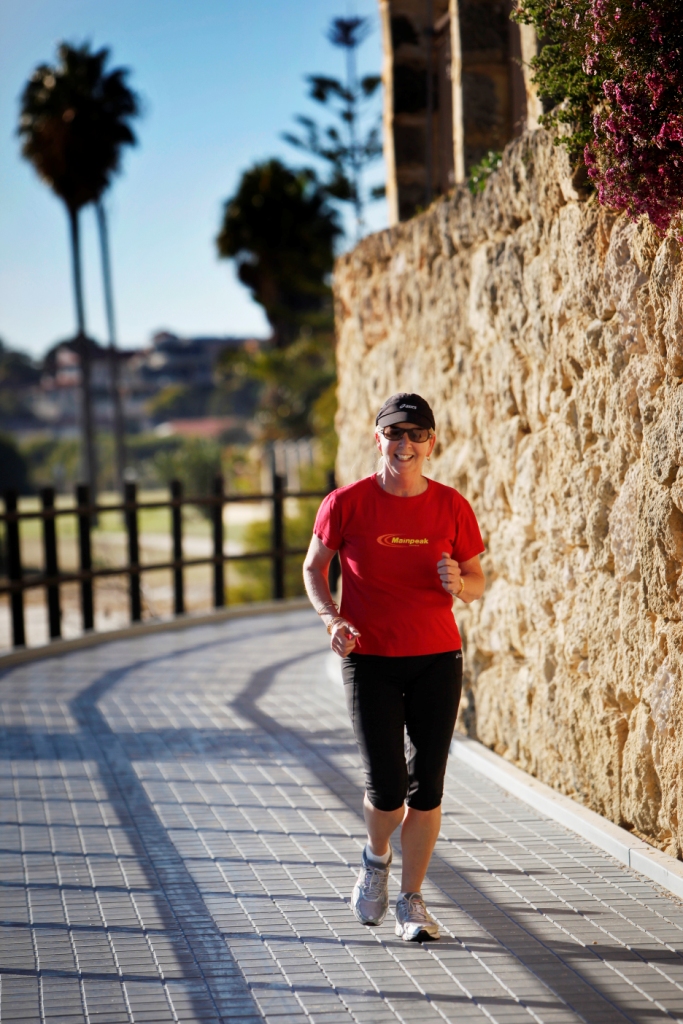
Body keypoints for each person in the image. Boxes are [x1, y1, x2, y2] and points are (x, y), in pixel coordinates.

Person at [303, 392, 485, 942]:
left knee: (426, 785)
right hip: (370, 660)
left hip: (437, 658)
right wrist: (332, 619)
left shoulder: (452, 505)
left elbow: (476, 582)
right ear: (377, 437)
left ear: (432, 443)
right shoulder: (346, 502)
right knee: (386, 787)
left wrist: (462, 584)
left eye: (416, 435)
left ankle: (411, 901)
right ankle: (375, 858)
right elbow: (315, 568)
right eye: (394, 433)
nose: (404, 444)